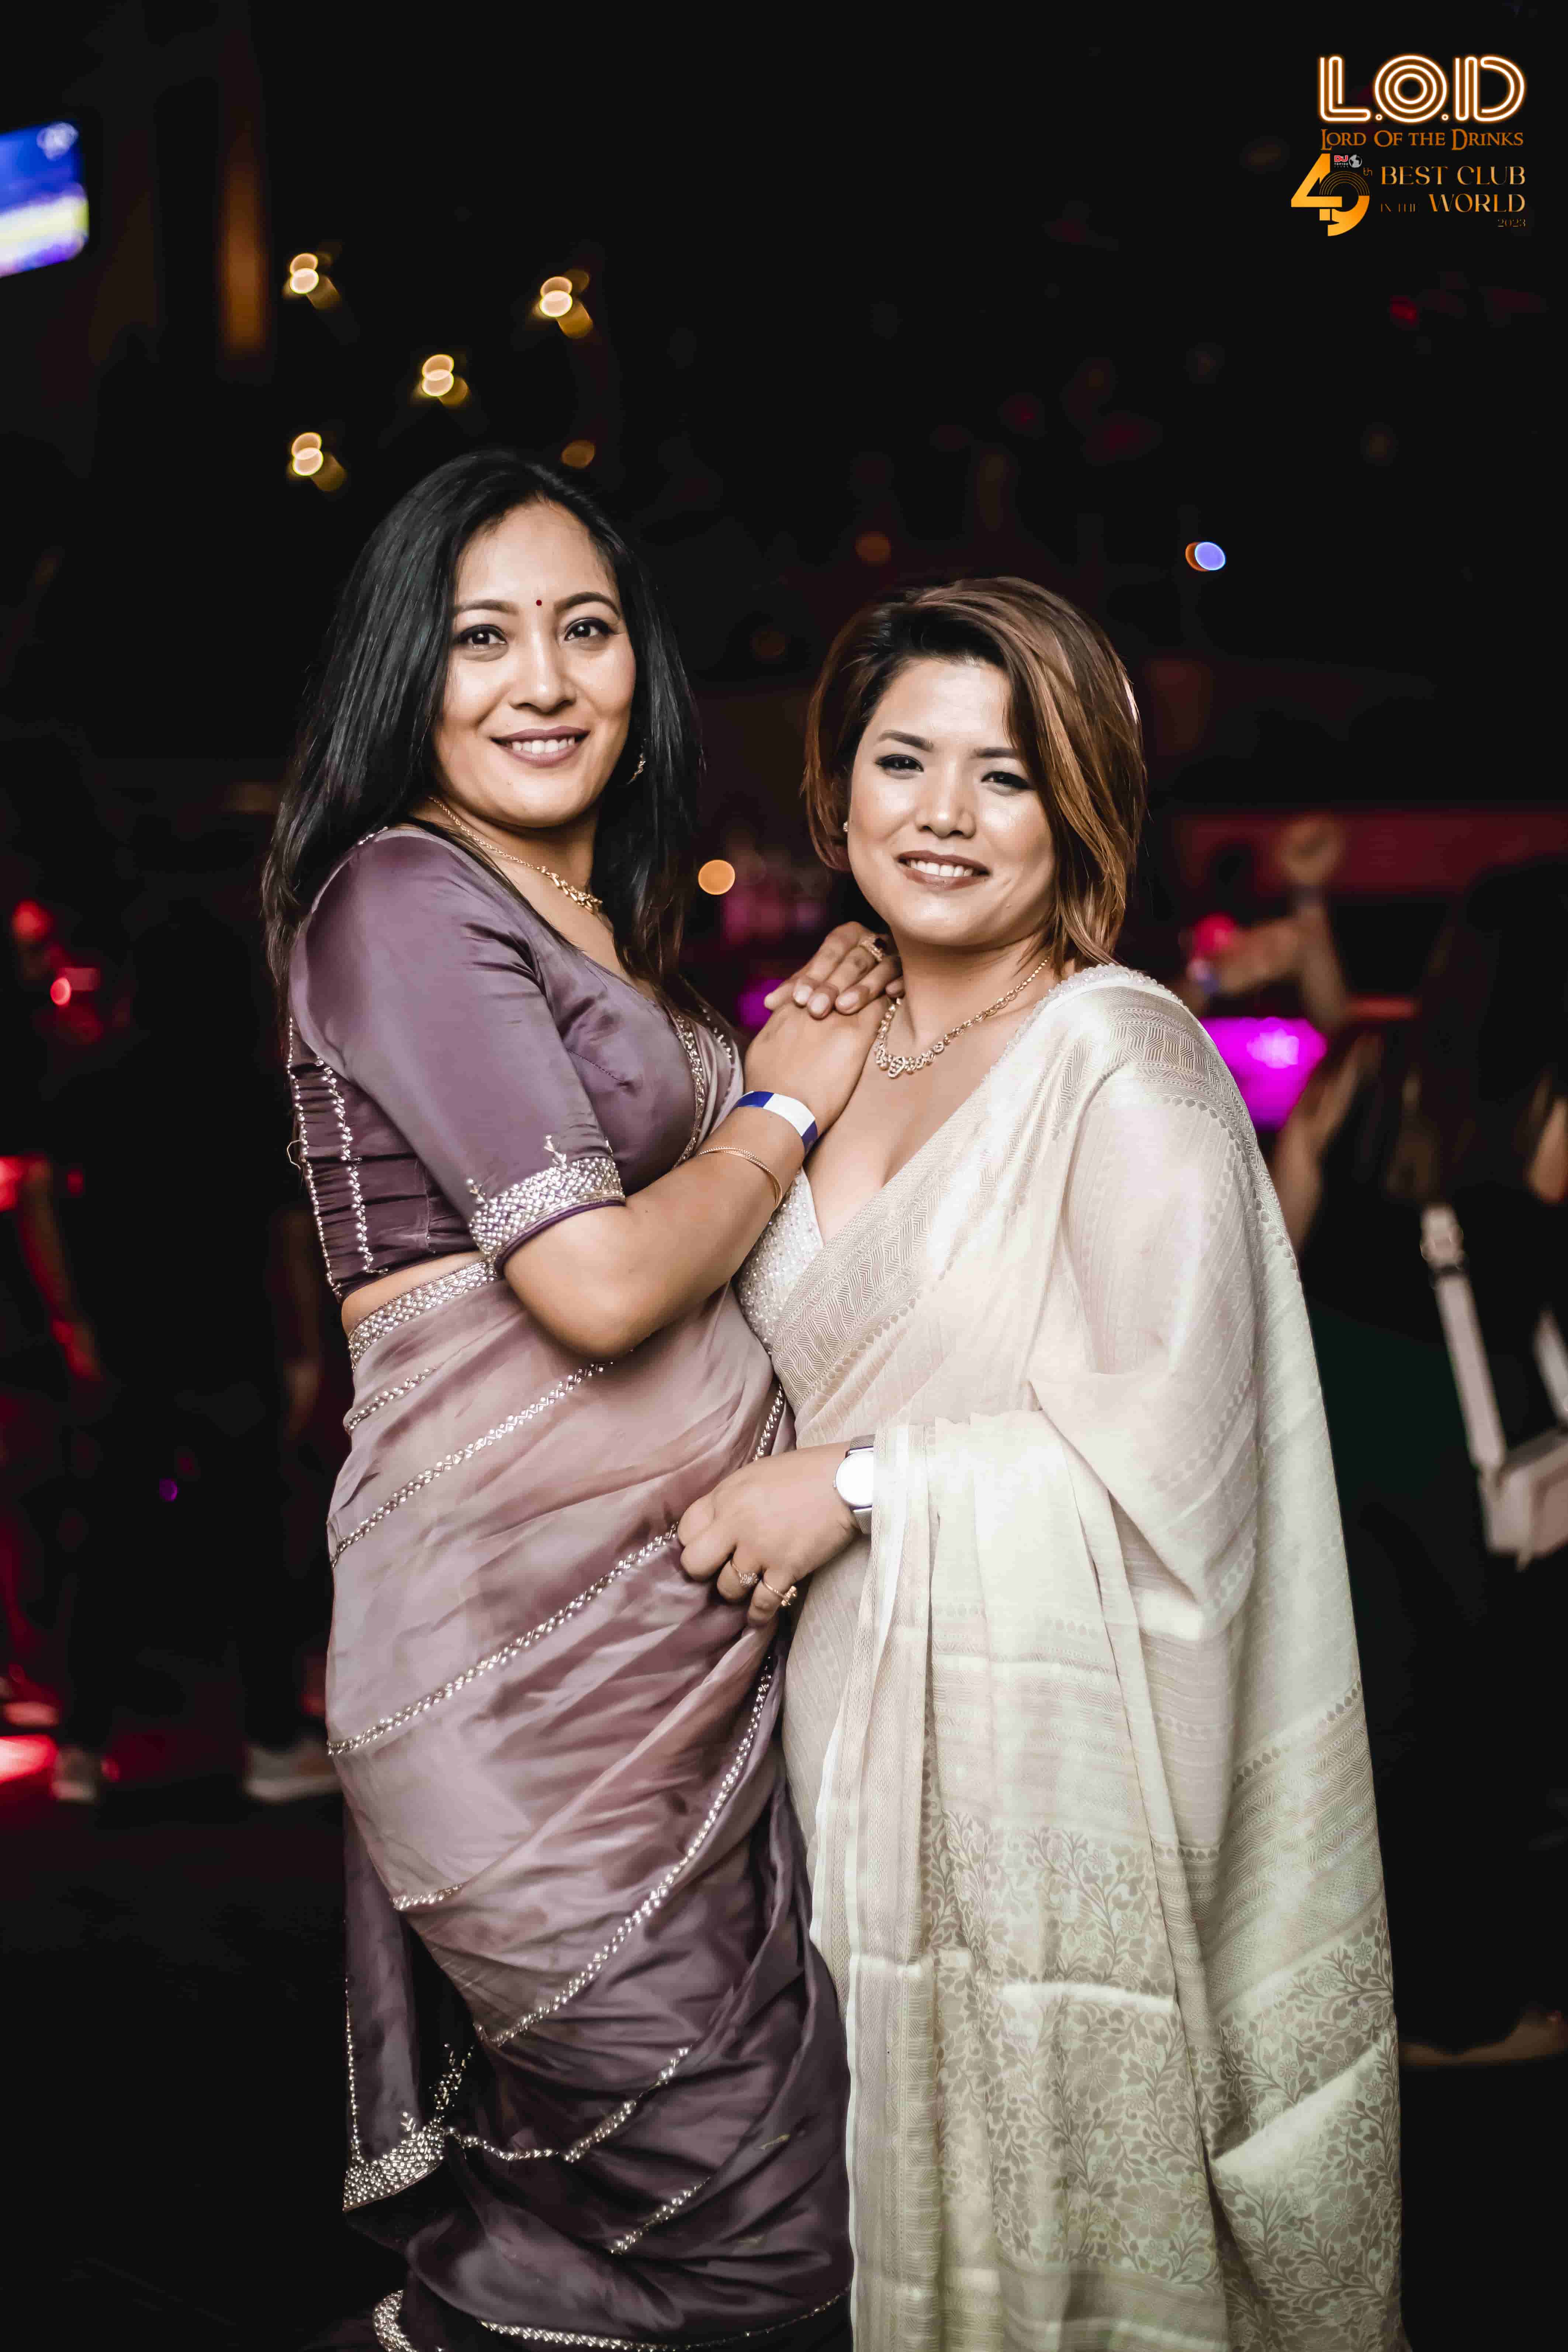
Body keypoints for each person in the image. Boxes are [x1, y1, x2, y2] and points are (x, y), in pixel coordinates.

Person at [678, 580, 1406, 2349]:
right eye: (901, 761)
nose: (943, 813)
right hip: (815, 1766)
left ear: (1078, 806)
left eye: (1002, 775)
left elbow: (1179, 1476)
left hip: (1029, 1792)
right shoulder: (816, 1047)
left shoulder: (1122, 1062)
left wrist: (864, 1486)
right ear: (833, 791)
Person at [264, 449, 902, 2352]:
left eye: (586, 629)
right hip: (521, 1687)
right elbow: (601, 1285)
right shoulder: (402, 896)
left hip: (682, 1661)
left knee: (665, 2213)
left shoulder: (585, 921)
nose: (542, 681)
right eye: (482, 638)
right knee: (757, 2229)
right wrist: (782, 1102)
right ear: (408, 671)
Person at [1271, 861, 1568, 2066]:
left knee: (1357, 1719)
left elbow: (1277, 1245)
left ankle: (1346, 2005)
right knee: (1480, 1722)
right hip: (1472, 1446)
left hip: (1337, 1430)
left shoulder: (1356, 1070)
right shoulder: (1549, 1101)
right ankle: (1457, 2014)